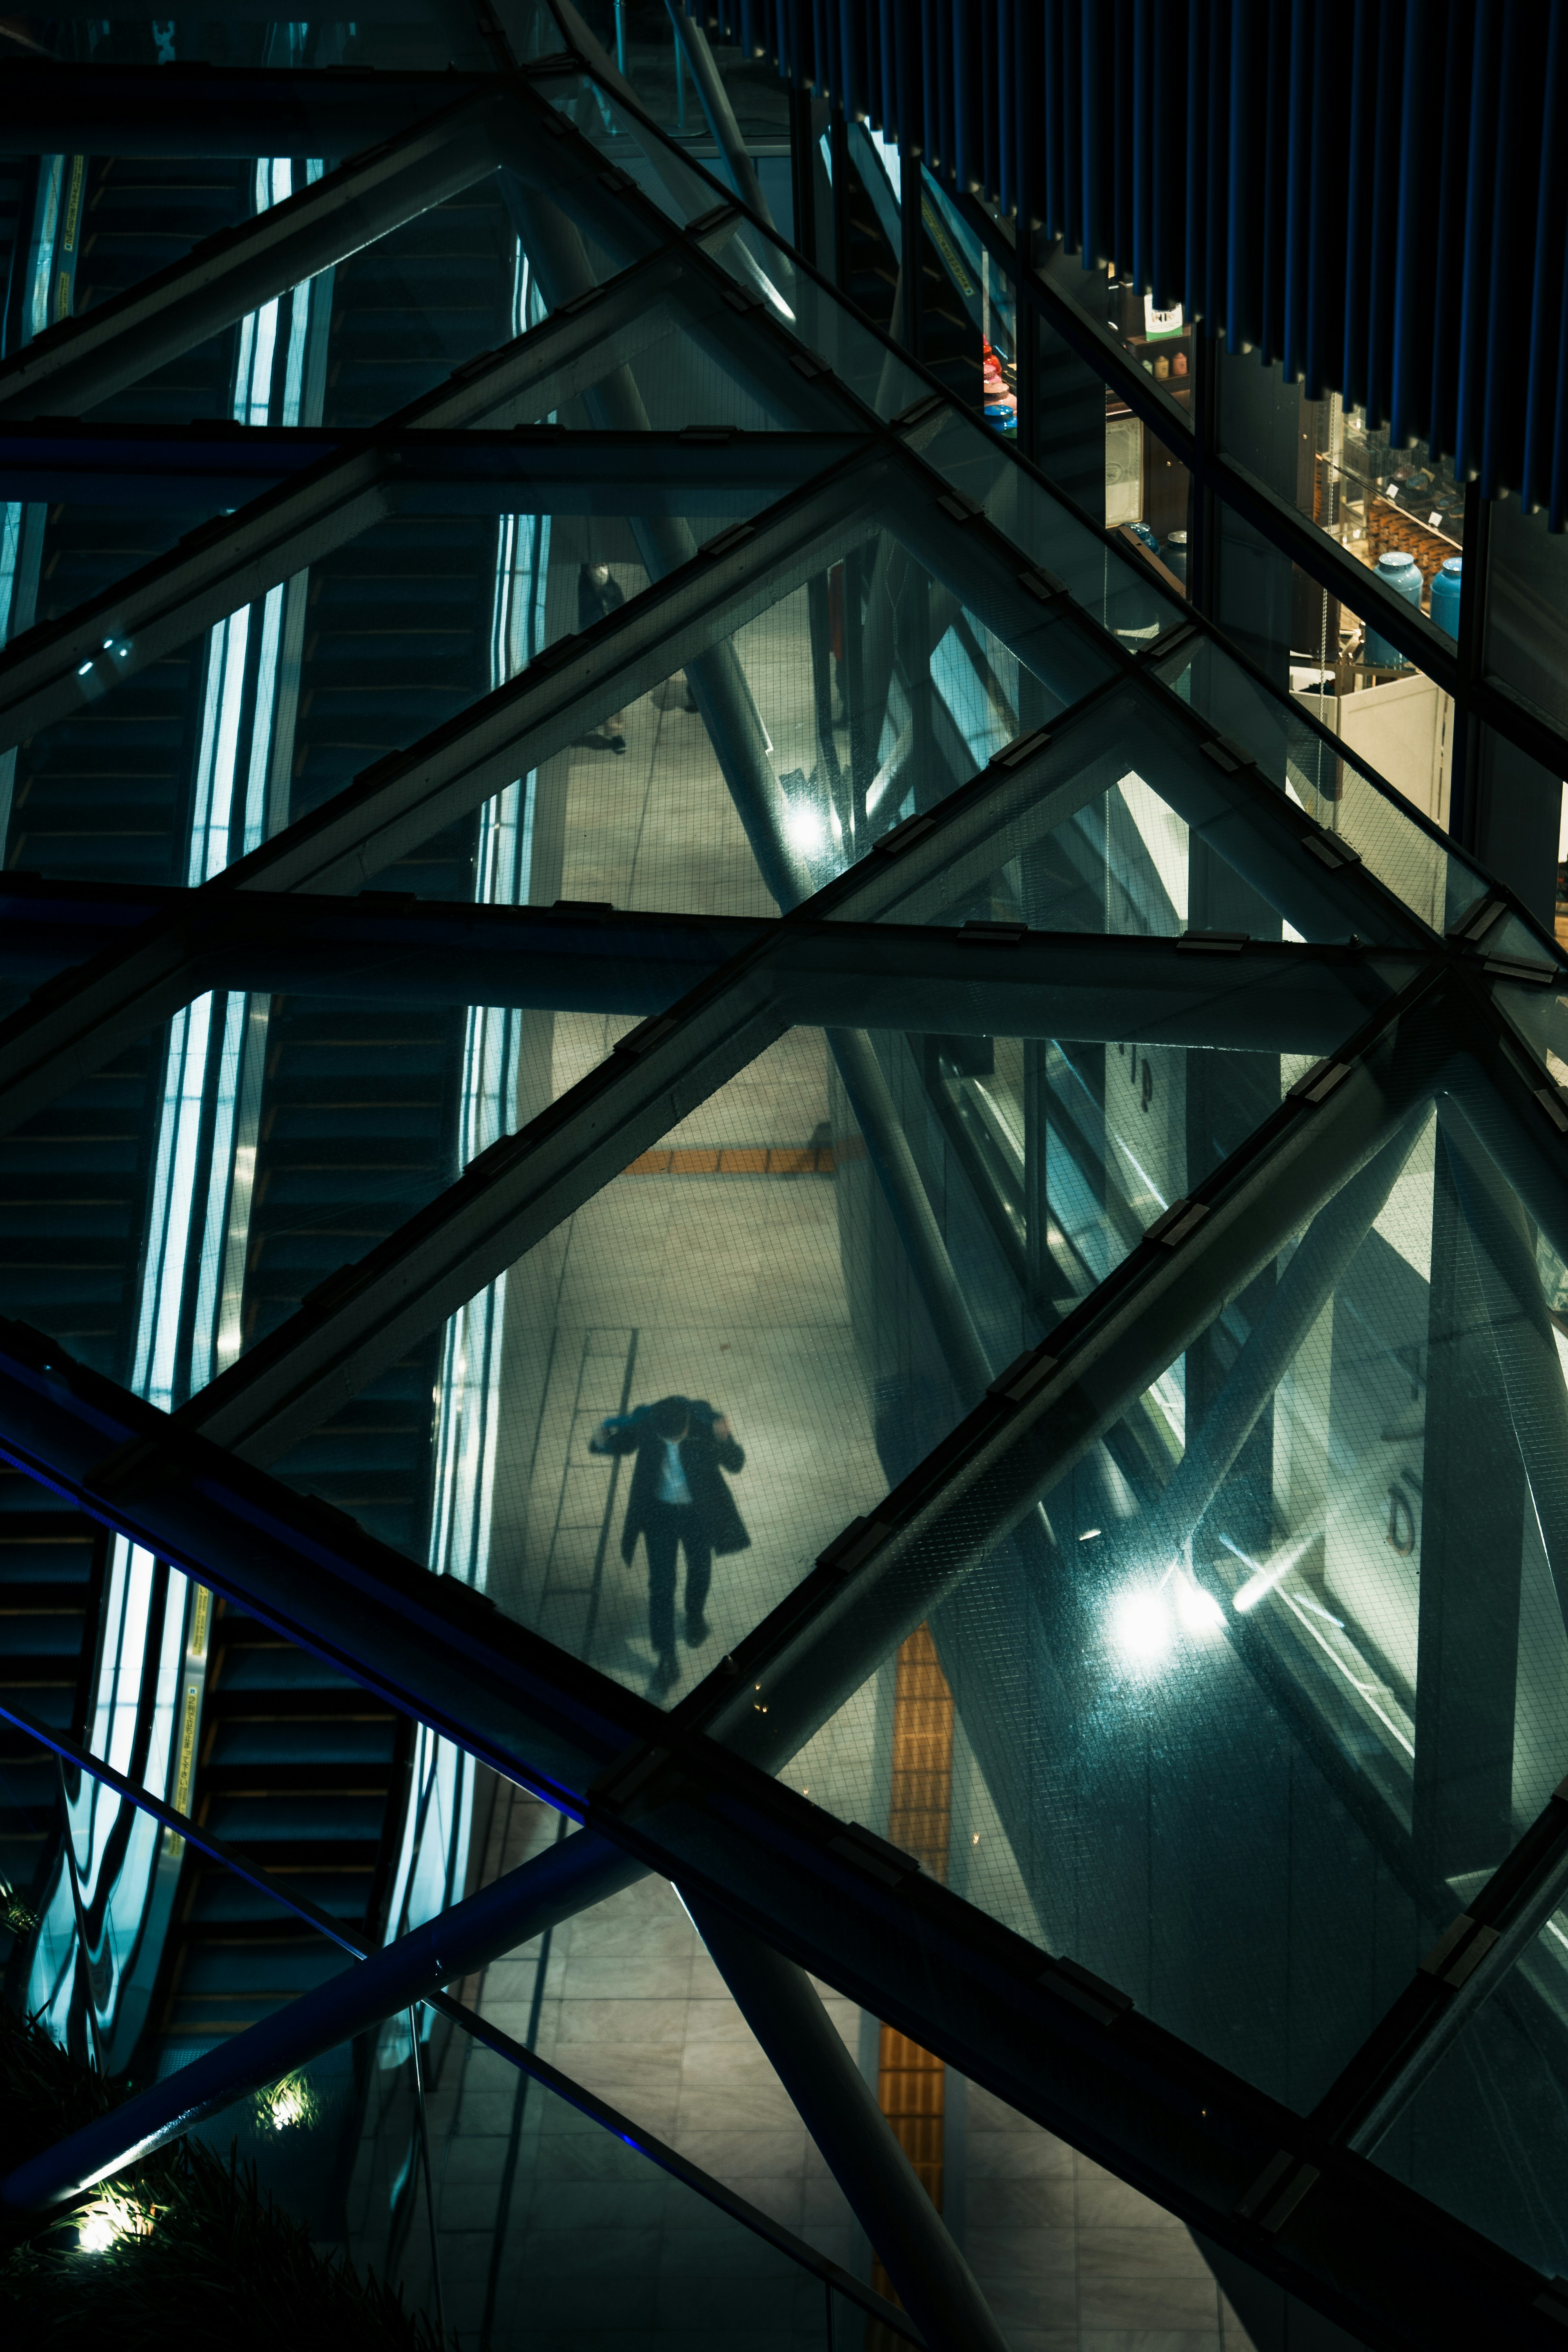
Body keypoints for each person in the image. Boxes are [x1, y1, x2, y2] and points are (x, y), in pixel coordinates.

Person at [589, 1394, 748, 1689]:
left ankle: (694, 1617)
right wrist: (601, 1439)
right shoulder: (648, 1425)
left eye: (678, 1436)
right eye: (667, 1438)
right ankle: (666, 1657)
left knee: (700, 1568)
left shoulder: (704, 1426)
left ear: (688, 1424)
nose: (673, 1441)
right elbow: (615, 1445)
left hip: (697, 1515)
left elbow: (736, 1464)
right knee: (661, 1585)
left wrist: (724, 1438)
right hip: (659, 1515)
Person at [578, 559, 627, 752]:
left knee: (611, 690)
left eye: (604, 565)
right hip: (599, 647)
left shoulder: (610, 590)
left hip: (610, 646)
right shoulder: (588, 594)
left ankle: (615, 730)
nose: (602, 569)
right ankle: (612, 728)